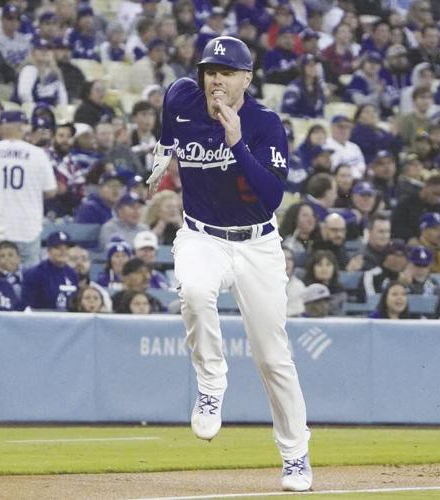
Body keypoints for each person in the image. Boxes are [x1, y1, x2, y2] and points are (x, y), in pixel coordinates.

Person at [145, 36, 311, 491]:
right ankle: (211, 382)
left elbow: (273, 196)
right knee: (195, 292)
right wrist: (164, 150)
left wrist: (237, 143)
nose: (215, 79)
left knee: (273, 357)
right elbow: (169, 119)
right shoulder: (182, 95)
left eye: (226, 72)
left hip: (257, 243)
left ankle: (296, 456)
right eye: (210, 70)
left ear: (247, 78)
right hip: (201, 234)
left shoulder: (263, 123)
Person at [0, 110, 57, 266]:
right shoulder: (38, 154)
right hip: (27, 228)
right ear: (22, 127)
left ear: (1, 127)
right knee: (28, 282)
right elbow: (51, 191)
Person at [22, 231, 79, 311]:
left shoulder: (72, 273)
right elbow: (27, 305)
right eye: (58, 248)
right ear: (48, 250)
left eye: (66, 248)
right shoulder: (35, 274)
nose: (63, 251)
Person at [283, 247, 306, 317]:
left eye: (289, 259)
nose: (286, 262)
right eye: (282, 258)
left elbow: (300, 309)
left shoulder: (299, 286)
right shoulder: (264, 285)